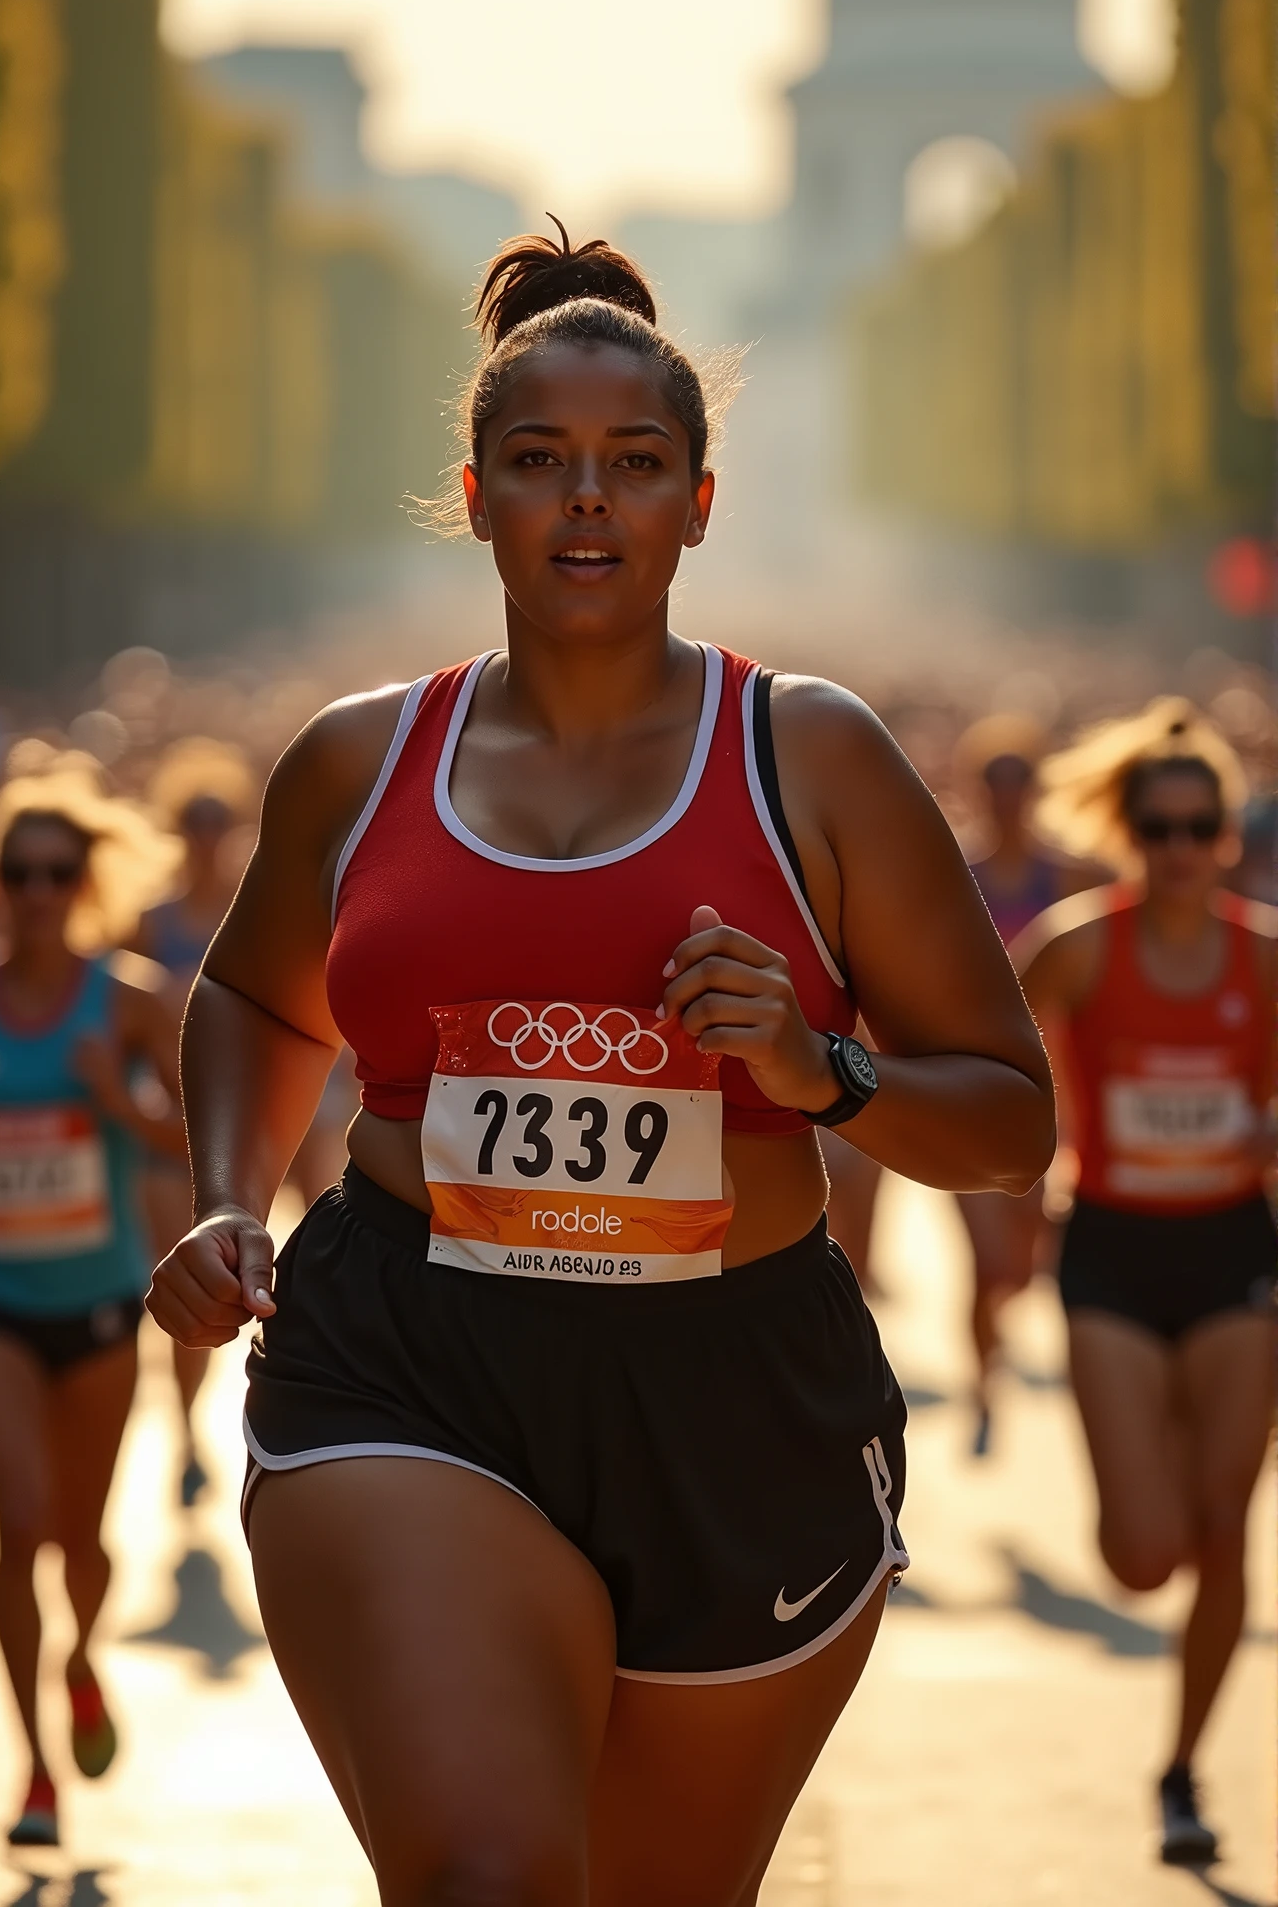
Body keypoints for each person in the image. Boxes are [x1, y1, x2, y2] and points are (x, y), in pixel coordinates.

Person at [148, 225, 1054, 1906]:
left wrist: (816, 1064)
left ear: (700, 499)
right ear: (475, 490)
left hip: (735, 1386)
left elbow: (1011, 1121)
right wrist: (224, 1198)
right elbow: (262, 1004)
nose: (588, 500)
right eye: (540, 462)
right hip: (407, 1349)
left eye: (635, 464)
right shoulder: (358, 759)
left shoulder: (815, 757)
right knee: (490, 1876)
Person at [1018, 700, 1276, 1867]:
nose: (1179, 847)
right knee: (1143, 1552)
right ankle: (1154, 1466)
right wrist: (1005, 1195)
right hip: (1113, 1252)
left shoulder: (1265, 957)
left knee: (1227, 1535)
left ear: (1228, 833)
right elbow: (989, 1059)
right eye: (1158, 826)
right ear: (1128, 830)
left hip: (1233, 1255)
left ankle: (1180, 1767)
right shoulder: (1075, 944)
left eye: (1200, 825)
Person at [0, 769, 187, 1848]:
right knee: (19, 1521)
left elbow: (190, 1138)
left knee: (83, 1539)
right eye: (17, 871)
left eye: (57, 872)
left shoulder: (126, 999)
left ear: (84, 881)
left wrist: (116, 1097)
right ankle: (33, 1768)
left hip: (99, 1300)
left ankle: (81, 1658)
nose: (36, 891)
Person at [823, 714, 1104, 1460]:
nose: (1009, 795)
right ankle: (985, 1379)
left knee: (1018, 1264)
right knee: (985, 1262)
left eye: (1022, 779)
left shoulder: (1067, 876)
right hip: (957, 1084)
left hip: (1037, 1091)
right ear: (978, 788)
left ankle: (992, 1340)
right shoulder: (956, 870)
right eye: (996, 779)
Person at [137, 740, 256, 1503]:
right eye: (195, 820)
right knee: (186, 1285)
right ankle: (184, 1433)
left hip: (243, 1122)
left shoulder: (255, 909)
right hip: (165, 1130)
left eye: (220, 819)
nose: (208, 834)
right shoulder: (149, 922)